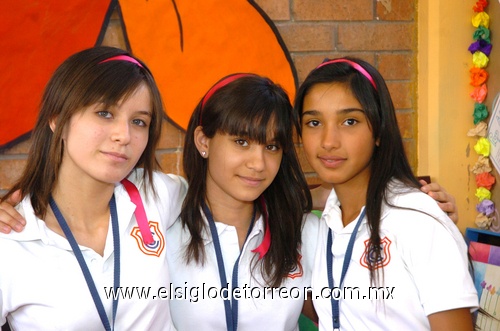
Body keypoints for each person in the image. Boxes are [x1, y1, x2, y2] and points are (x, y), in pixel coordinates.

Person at [0, 46, 187, 330]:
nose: (123, 136)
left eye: (139, 121)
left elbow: (231, 190)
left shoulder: (156, 194)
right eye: (104, 113)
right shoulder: (10, 241)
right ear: (56, 119)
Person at [294, 57, 478, 330]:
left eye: (349, 121)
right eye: (313, 123)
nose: (328, 142)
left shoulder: (418, 220)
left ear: (379, 130)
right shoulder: (326, 222)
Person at [165, 73, 320, 330]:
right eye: (241, 142)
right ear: (203, 141)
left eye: (271, 147)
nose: (258, 164)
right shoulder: (163, 229)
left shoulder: (305, 232)